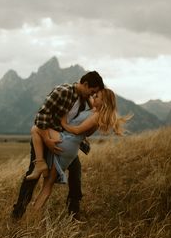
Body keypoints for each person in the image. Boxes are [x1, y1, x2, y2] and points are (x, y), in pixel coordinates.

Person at [11, 71, 104, 220]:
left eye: (95, 94)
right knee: (34, 174)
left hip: (63, 140)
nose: (92, 96)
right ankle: (18, 213)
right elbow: (41, 117)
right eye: (92, 92)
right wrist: (48, 140)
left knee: (76, 172)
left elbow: (88, 119)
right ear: (85, 85)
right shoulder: (63, 92)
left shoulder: (83, 99)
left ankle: (73, 212)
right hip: (44, 137)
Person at [30, 88, 130, 211]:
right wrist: (84, 89)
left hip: (67, 140)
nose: (94, 97)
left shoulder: (96, 116)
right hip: (71, 148)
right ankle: (34, 211)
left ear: (103, 102)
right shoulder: (95, 112)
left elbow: (78, 131)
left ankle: (40, 163)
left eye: (97, 96)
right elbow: (87, 133)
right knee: (48, 183)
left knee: (36, 128)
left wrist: (64, 122)